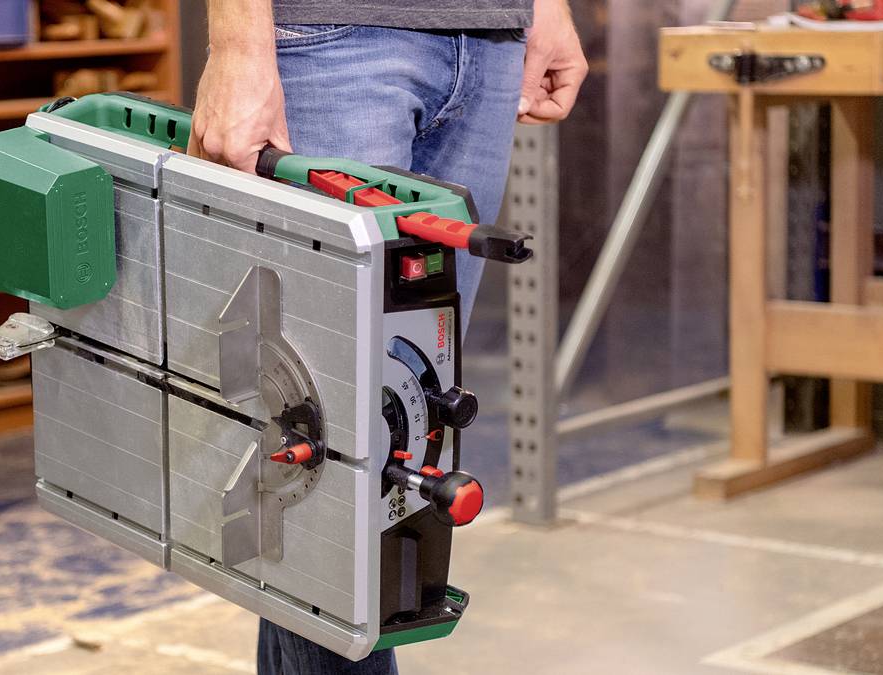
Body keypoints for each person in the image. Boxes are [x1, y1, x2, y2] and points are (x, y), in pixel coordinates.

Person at [188, 1, 587, 673]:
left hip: (491, 42)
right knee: (338, 479)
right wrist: (236, 44)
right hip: (337, 35)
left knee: (388, 443)